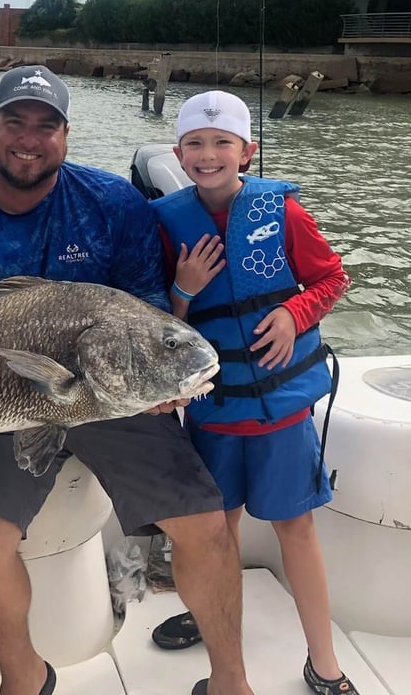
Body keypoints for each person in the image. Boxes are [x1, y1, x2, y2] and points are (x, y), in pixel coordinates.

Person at [0, 65, 254, 695]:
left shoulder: (113, 205)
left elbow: (147, 320)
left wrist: (156, 386)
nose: (29, 139)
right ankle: (25, 676)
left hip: (114, 395)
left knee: (204, 527)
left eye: (47, 126)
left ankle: (232, 682)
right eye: (15, 121)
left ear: (66, 137)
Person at [151, 90, 357, 695]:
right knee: (217, 532)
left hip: (281, 414)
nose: (209, 155)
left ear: (249, 150)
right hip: (213, 412)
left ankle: (325, 664)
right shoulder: (166, 224)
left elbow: (331, 277)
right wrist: (184, 291)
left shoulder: (284, 212)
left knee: (297, 530)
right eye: (196, 143)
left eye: (222, 143)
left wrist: (295, 313)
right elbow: (157, 320)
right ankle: (209, 614)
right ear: (178, 152)